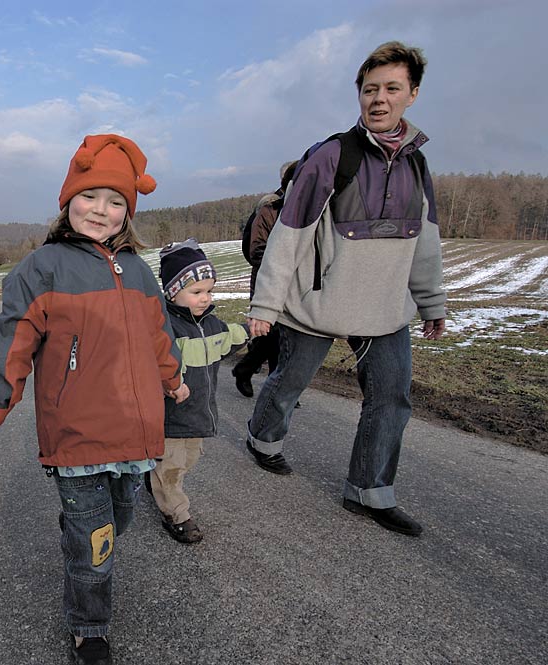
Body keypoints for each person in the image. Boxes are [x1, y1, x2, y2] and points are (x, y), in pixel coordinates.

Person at [0, 134, 186, 665]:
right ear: (68, 200)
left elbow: (160, 333)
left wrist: (174, 377)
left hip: (135, 435)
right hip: (79, 434)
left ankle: (79, 533)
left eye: (116, 202)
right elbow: (13, 336)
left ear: (128, 213)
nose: (102, 210)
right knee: (96, 550)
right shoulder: (43, 266)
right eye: (91, 196)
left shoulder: (137, 270)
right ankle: (90, 627)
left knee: (118, 523)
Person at [245, 41, 446, 536]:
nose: (379, 99)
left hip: (385, 309)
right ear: (359, 94)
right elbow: (288, 237)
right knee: (290, 381)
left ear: (412, 95)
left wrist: (431, 302)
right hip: (318, 303)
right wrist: (266, 304)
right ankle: (262, 438)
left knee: (392, 398)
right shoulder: (332, 155)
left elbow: (424, 242)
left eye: (391, 89)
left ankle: (369, 491)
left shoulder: (418, 166)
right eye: (370, 89)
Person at [151, 238, 249, 544]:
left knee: (189, 459)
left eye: (209, 291)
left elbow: (229, 338)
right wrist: (167, 384)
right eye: (196, 292)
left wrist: (248, 331)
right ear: (172, 292)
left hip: (199, 412)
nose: (205, 298)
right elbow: (152, 361)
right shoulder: (166, 327)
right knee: (171, 466)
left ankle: (159, 481)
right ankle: (176, 513)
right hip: (171, 415)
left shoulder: (212, 323)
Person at [231, 161, 298, 399]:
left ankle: (258, 375)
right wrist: (279, 268)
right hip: (268, 281)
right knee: (272, 334)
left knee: (283, 334)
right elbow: (256, 249)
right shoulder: (270, 210)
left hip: (296, 284)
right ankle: (260, 376)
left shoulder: (305, 209)